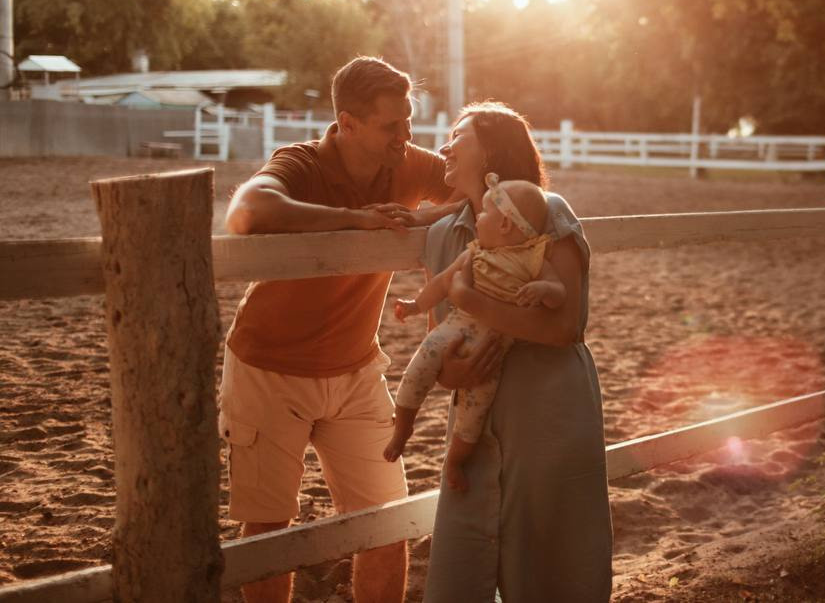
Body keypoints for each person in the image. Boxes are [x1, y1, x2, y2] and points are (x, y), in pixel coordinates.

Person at [219, 56, 502, 603]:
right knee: (270, 530)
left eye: (409, 121)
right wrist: (353, 218)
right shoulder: (301, 163)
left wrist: (425, 214)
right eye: (390, 125)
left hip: (355, 369)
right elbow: (247, 212)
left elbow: (479, 203)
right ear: (347, 124)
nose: (406, 136)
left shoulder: (406, 162)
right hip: (267, 367)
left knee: (385, 523)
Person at [420, 101, 613, 603]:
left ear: (493, 151)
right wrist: (450, 374)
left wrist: (471, 300)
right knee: (458, 578)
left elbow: (563, 327)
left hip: (546, 417)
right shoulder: (440, 237)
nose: (443, 145)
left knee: (555, 578)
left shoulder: (548, 212)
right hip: (474, 428)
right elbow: (439, 337)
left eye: (458, 135)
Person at [384, 173, 565, 495]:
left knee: (473, 416)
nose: (477, 218)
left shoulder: (535, 258)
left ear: (505, 224)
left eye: (483, 213)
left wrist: (544, 289)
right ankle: (403, 429)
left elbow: (559, 292)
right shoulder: (474, 253)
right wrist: (416, 305)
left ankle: (454, 461)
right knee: (416, 372)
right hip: (454, 330)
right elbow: (442, 283)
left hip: (491, 351)